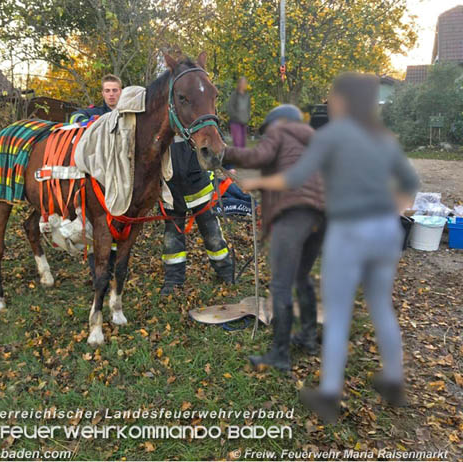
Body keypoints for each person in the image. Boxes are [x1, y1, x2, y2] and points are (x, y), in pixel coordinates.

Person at [237, 73, 420, 423]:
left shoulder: (333, 135)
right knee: (380, 306)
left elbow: (294, 177)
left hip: (350, 230)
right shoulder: (384, 138)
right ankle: (394, 380)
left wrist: (257, 181)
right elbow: (409, 187)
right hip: (386, 231)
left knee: (337, 314)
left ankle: (329, 395)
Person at [224, 104, 325, 372]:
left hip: (293, 214)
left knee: (280, 285)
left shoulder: (281, 131)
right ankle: (307, 337)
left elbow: (257, 156)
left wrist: (224, 153)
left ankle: (280, 354)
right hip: (322, 216)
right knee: (301, 278)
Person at [161, 137, 235, 295]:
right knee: (172, 237)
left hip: (198, 186)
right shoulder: (162, 121)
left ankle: (226, 272)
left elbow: (214, 140)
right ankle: (173, 280)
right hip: (170, 190)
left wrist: (229, 167)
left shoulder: (195, 117)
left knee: (211, 232)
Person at [70, 74, 123, 280]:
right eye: (107, 91)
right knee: (97, 223)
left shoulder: (129, 113)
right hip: (98, 178)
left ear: (121, 91)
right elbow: (74, 118)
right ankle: (98, 273)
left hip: (122, 180)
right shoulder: (96, 112)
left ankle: (115, 266)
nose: (111, 95)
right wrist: (96, 121)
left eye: (115, 90)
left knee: (118, 223)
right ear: (102, 93)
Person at [226, 77, 252, 149]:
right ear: (239, 84)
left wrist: (247, 117)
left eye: (245, 83)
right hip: (235, 122)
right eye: (243, 83)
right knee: (238, 143)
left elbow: (248, 108)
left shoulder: (247, 95)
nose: (244, 84)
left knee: (243, 144)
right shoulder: (234, 95)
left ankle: (242, 159)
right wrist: (236, 117)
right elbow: (230, 108)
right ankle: (237, 159)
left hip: (244, 122)